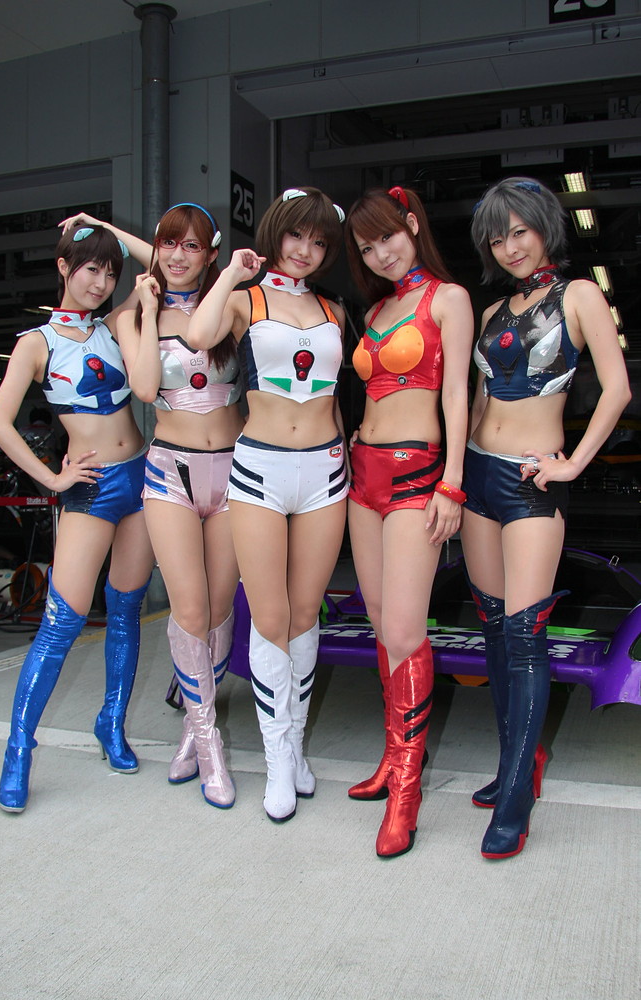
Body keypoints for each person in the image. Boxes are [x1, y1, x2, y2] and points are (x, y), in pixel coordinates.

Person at [462, 176, 631, 860]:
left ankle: (515, 802)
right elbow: (478, 401)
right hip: (478, 476)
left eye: (519, 231)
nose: (509, 247)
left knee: (525, 636)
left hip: (532, 482)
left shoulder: (579, 295)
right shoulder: (490, 310)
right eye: (497, 238)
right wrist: (453, 478)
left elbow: (617, 388)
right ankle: (515, 764)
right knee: (494, 632)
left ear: (543, 227)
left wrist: (572, 464)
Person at [188, 187, 348, 822]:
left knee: (306, 612)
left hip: (325, 473)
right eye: (296, 235)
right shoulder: (244, 300)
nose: (305, 250)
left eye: (319, 241)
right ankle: (277, 758)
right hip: (259, 469)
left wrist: (342, 454)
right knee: (271, 615)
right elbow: (199, 334)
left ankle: (296, 746)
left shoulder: (335, 309)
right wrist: (232, 270)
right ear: (277, 232)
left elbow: (335, 396)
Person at [0, 224, 155, 813]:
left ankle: (111, 722)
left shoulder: (113, 324)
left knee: (128, 609)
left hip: (141, 478)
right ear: (63, 267)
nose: (102, 282)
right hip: (90, 488)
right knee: (62, 622)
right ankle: (18, 750)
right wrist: (52, 479)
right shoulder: (36, 343)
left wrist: (105, 230)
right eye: (90, 268)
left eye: (109, 272)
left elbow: (160, 264)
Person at [344, 185, 473, 858]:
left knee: (403, 629)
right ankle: (392, 757)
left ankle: (407, 791)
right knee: (379, 626)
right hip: (361, 475)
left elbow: (457, 395)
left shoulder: (447, 299)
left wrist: (452, 482)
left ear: (413, 225)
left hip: (416, 475)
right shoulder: (375, 309)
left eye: (387, 237)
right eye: (367, 247)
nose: (380, 253)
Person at [114, 203, 243, 809]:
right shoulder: (133, 315)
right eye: (168, 244)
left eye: (192, 246)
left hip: (236, 474)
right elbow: (144, 387)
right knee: (189, 607)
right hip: (170, 473)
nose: (177, 255)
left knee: (220, 606)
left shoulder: (231, 306)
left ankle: (194, 728)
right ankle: (209, 744)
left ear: (211, 253)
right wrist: (145, 309)